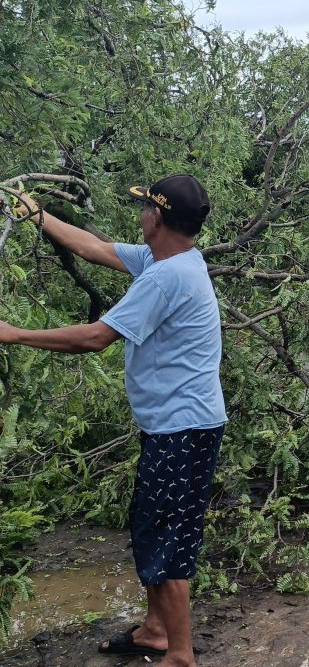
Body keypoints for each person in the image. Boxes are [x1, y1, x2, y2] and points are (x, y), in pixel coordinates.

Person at [0, 175, 225, 667]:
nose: (140, 213)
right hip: (181, 426)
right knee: (153, 529)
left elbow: (95, 338)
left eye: (144, 206)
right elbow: (92, 246)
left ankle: (180, 654)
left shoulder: (167, 277)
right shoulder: (171, 259)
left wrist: (13, 334)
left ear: (157, 217)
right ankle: (154, 631)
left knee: (165, 539)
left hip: (181, 431)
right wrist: (35, 214)